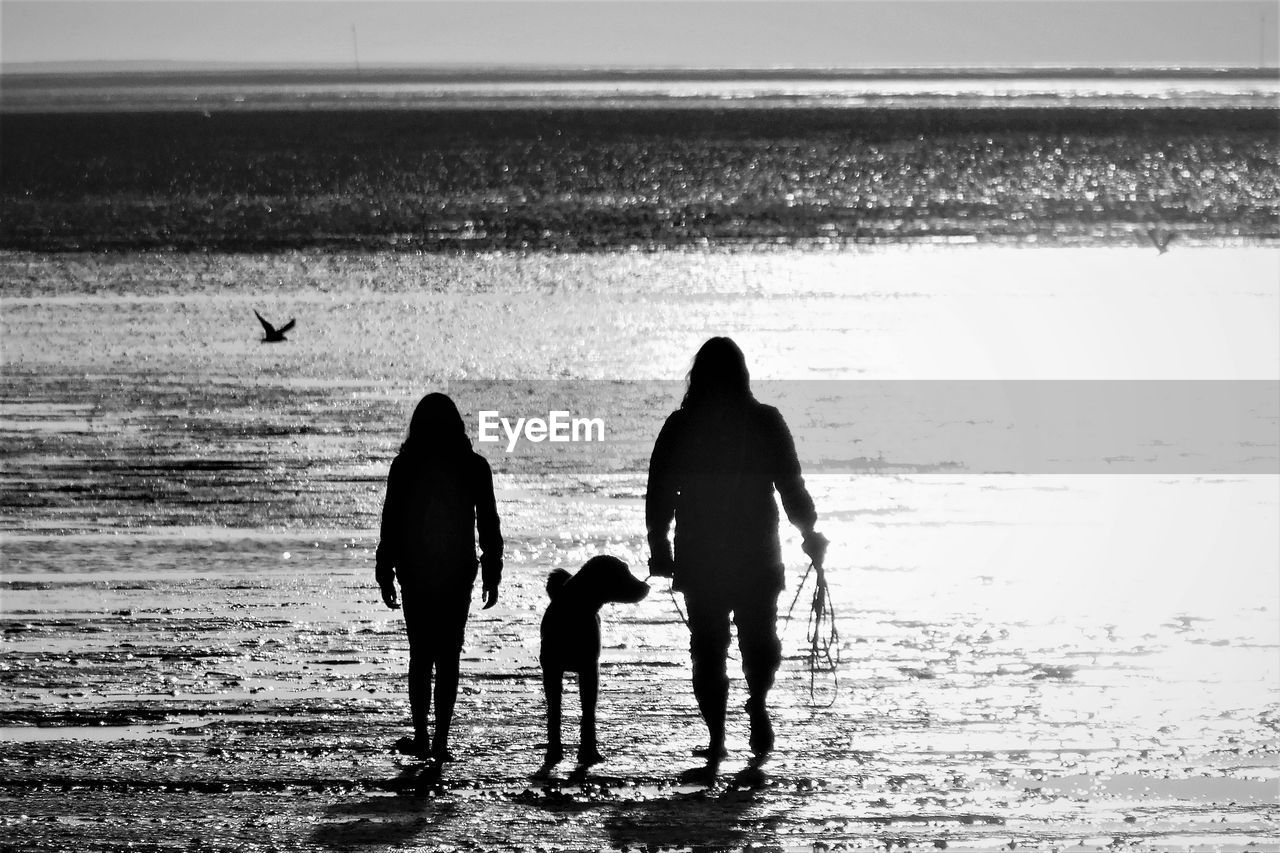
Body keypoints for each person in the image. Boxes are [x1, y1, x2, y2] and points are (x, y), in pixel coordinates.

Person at [646, 337, 827, 766]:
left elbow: (659, 494)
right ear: (742, 374)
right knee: (759, 640)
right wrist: (809, 532)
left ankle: (717, 738)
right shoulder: (765, 421)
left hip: (702, 553)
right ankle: (758, 704)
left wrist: (660, 544)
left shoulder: (681, 426)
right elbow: (790, 485)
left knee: (707, 648)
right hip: (757, 550)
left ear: (699, 377)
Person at [375, 392, 503, 762]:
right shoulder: (473, 466)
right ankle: (441, 741)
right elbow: (489, 526)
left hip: (415, 570)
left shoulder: (406, 466)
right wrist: (492, 570)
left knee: (421, 654)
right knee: (448, 655)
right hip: (457, 572)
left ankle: (422, 737)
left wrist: (385, 569)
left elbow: (391, 524)